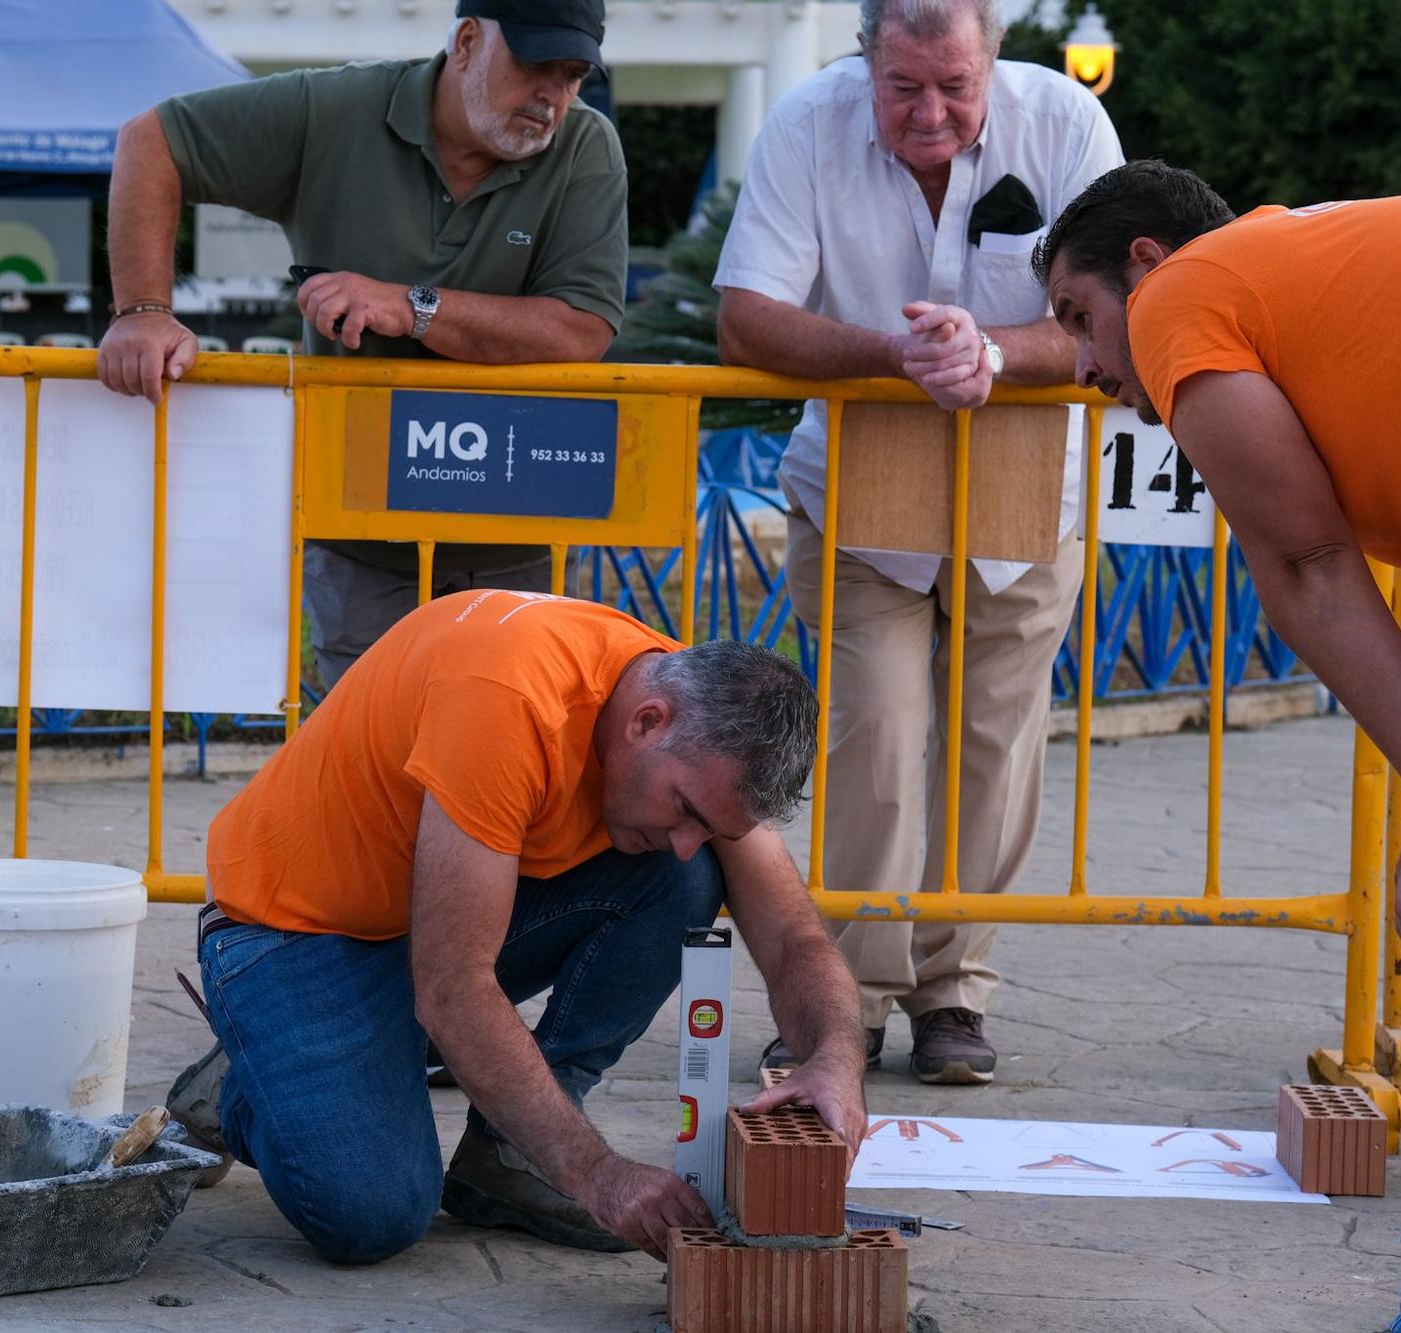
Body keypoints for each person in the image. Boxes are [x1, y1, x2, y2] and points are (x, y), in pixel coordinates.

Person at [1032, 161, 1401, 1333]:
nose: (1087, 369)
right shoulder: (1318, 280)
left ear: (1142, 261)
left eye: (1077, 318)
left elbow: (1304, 568)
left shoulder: (1189, 297)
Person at [165, 590, 867, 1263]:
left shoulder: (693, 723)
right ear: (648, 721)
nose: (688, 836)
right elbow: (451, 989)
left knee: (685, 877)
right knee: (371, 1216)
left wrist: (837, 1055)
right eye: (683, 807)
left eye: (708, 824)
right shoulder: (508, 703)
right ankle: (252, 1072)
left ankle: (505, 1150)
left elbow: (792, 939)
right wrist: (597, 1174)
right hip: (290, 929)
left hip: (421, 921)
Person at [713, 0, 1122, 1084]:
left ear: (992, 59)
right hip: (856, 478)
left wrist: (988, 350)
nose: (929, 112)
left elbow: (1118, 312)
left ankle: (955, 992)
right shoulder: (806, 122)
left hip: (1028, 485)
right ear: (864, 63)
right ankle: (845, 994)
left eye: (954, 85)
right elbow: (745, 313)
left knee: (995, 740)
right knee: (875, 735)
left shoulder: (1068, 124)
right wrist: (893, 356)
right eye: (903, 89)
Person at [96, 0, 627, 688]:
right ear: (467, 41)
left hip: (519, 531)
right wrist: (142, 311)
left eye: (573, 74)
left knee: (504, 759)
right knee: (370, 760)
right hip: (362, 533)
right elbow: (151, 140)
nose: (552, 94)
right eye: (534, 64)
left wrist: (411, 306)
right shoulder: (338, 107)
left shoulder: (587, 146)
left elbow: (580, 328)